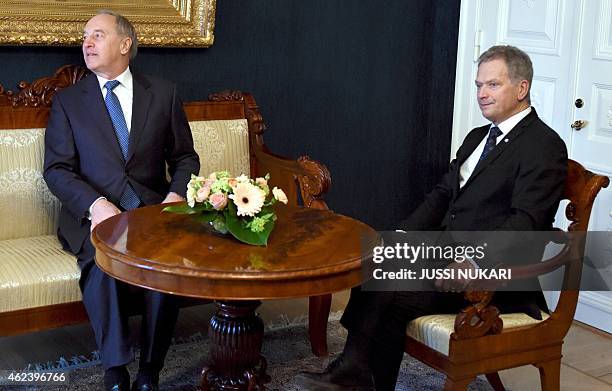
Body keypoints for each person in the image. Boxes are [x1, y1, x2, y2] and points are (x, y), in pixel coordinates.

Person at [297, 45, 567, 390]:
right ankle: (356, 370)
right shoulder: (477, 138)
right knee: (376, 256)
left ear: (521, 88)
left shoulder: (544, 146)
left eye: (493, 85)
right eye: (478, 85)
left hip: (496, 277)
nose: (482, 94)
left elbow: (526, 222)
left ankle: (358, 375)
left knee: (392, 293)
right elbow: (442, 194)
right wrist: (401, 234)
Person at [43, 10, 200, 391]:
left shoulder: (163, 93)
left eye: (98, 35)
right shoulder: (69, 102)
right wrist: (96, 204)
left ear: (125, 45)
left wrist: (175, 195)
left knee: (166, 268)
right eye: (85, 36)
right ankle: (115, 370)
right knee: (102, 266)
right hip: (93, 216)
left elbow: (185, 158)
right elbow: (57, 170)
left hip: (150, 214)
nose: (87, 43)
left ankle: (150, 369)